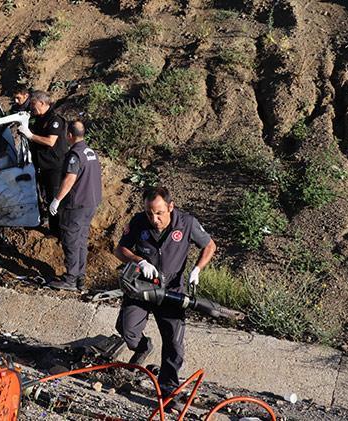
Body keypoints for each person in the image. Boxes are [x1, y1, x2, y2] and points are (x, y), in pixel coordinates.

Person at [114, 186, 216, 410]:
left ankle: (168, 391)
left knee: (173, 343)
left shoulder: (187, 223)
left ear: (170, 207)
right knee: (126, 329)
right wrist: (138, 260)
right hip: (142, 288)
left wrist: (197, 269)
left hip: (172, 292)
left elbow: (209, 245)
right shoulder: (140, 221)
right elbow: (120, 250)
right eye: (150, 213)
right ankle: (142, 347)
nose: (154, 218)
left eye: (159, 213)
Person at [45, 121, 102, 291]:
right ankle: (80, 276)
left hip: (76, 205)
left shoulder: (74, 155)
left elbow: (70, 179)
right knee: (81, 240)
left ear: (69, 135)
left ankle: (70, 278)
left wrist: (57, 199)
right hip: (90, 203)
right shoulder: (91, 152)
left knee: (70, 240)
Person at [18, 91, 69, 236]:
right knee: (47, 197)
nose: (32, 108)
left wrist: (30, 135)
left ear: (41, 103)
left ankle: (60, 232)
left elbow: (50, 141)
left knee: (55, 198)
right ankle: (54, 229)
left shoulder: (55, 120)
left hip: (55, 166)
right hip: (43, 166)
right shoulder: (39, 119)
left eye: (33, 104)